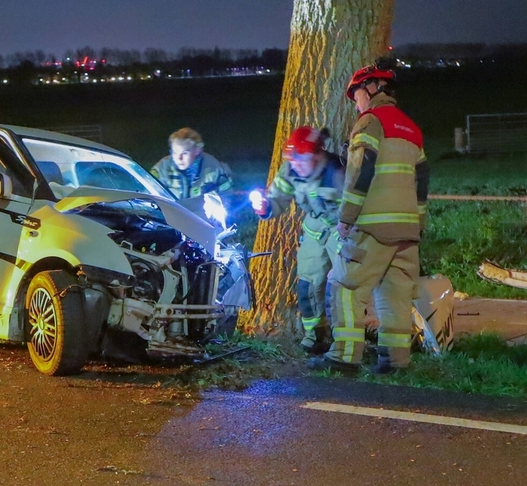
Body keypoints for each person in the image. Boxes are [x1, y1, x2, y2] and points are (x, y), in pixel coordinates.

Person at [310, 60, 429, 374]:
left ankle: (345, 357)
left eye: (357, 94)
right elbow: (422, 183)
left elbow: (361, 172)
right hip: (407, 232)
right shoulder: (412, 128)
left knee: (345, 286)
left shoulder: (370, 122)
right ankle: (395, 362)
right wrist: (418, 225)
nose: (356, 102)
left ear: (372, 88)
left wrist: (346, 218)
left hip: (373, 226)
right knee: (396, 296)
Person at [251, 126, 345, 354]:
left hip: (343, 229)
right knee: (307, 285)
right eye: (291, 159)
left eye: (301, 158)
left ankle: (344, 343)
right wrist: (264, 207)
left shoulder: (338, 172)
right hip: (315, 228)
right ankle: (316, 336)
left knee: (341, 287)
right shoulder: (290, 170)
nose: (296, 164)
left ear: (317, 154)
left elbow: (356, 208)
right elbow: (276, 201)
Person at [150, 127, 233, 201]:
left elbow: (226, 197)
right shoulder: (162, 168)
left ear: (197, 150)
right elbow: (147, 192)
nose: (179, 158)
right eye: (175, 153)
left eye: (184, 153)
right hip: (169, 216)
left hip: (200, 217)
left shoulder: (215, 170)